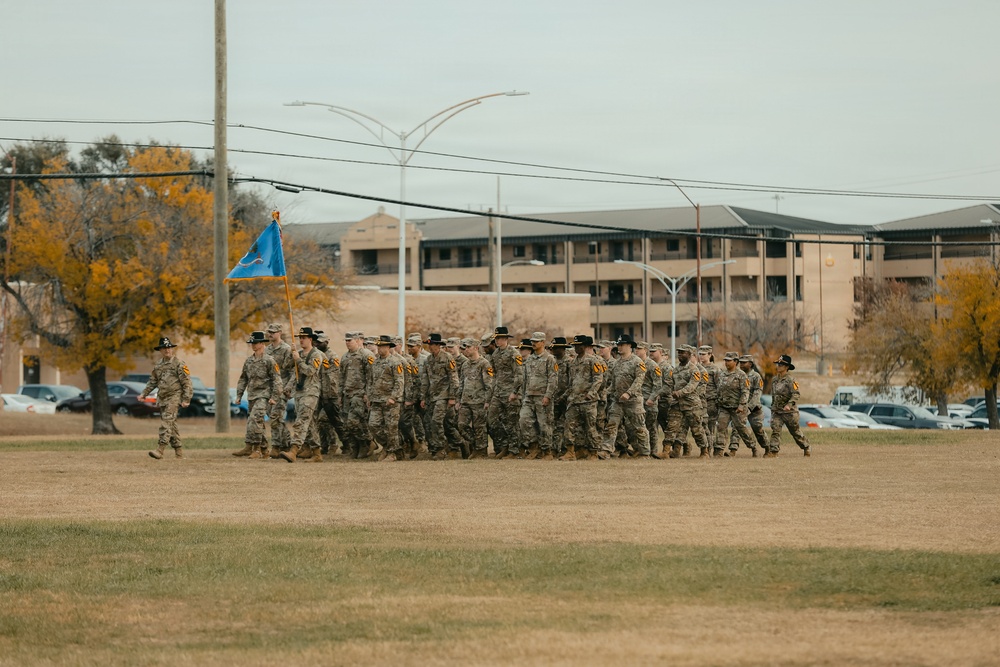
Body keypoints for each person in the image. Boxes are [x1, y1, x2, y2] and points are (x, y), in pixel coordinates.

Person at [140, 337, 194, 460]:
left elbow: (187, 383)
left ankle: (160, 449)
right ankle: (179, 453)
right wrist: (144, 394)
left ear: (172, 349)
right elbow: (153, 381)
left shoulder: (179, 363)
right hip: (163, 398)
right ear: (160, 350)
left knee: (166, 422)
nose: (167, 350)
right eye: (164, 348)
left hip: (175, 397)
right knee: (172, 425)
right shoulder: (159, 365)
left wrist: (186, 399)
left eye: (169, 347)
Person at [232, 331, 282, 460]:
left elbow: (277, 380)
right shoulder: (249, 361)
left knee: (255, 419)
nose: (253, 345)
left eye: (255, 343)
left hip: (264, 395)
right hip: (252, 396)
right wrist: (239, 395)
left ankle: (256, 449)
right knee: (255, 422)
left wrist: (274, 397)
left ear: (261, 343)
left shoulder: (269, 360)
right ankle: (264, 450)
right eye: (251, 343)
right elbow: (243, 379)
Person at [602, 334, 650, 458]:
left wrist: (629, 393)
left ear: (629, 346)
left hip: (633, 401)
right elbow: (613, 382)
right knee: (611, 424)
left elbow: (639, 380)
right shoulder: (616, 363)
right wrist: (605, 393)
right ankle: (606, 450)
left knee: (639, 428)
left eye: (622, 345)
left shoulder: (637, 362)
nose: (619, 347)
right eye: (618, 345)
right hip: (618, 401)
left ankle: (645, 452)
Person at [561, 334, 606, 460]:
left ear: (585, 346)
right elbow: (571, 382)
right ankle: (571, 451)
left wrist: (591, 394)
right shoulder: (573, 362)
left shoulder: (593, 360)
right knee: (569, 426)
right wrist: (566, 396)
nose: (576, 348)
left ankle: (593, 452)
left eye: (579, 346)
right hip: (574, 400)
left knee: (590, 427)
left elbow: (599, 379)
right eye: (575, 346)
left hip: (588, 401)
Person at [284, 326, 324, 462]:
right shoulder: (298, 354)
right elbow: (291, 370)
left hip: (311, 393)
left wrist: (299, 360)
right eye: (300, 338)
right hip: (300, 393)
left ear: (311, 339)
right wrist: (293, 353)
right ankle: (317, 453)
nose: (301, 340)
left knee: (301, 421)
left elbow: (310, 371)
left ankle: (294, 450)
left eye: (304, 338)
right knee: (310, 424)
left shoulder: (316, 355)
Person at [664, 344, 709, 458]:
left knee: (697, 430)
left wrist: (680, 392)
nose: (680, 354)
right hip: (677, 404)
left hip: (691, 404)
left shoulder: (694, 370)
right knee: (671, 427)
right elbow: (669, 385)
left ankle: (704, 451)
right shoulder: (675, 370)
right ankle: (666, 451)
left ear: (689, 355)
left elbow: (692, 386)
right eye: (679, 352)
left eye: (683, 352)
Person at [421, 333, 461, 459]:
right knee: (437, 423)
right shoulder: (428, 360)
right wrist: (423, 397)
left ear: (438, 345)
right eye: (429, 345)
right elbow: (426, 379)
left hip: (444, 396)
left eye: (432, 344)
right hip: (432, 396)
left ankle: (440, 449)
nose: (430, 347)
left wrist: (452, 397)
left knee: (436, 421)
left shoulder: (447, 357)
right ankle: (459, 443)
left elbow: (454, 378)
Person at [519, 332, 558, 460]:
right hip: (529, 396)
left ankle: (547, 451)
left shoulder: (550, 359)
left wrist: (548, 396)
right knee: (524, 420)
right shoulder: (529, 359)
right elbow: (525, 379)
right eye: (532, 341)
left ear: (543, 342)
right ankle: (533, 447)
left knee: (544, 424)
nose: (533, 343)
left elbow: (553, 379)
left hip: (542, 396)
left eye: (536, 341)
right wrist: (524, 394)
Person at [368, 335, 406, 462]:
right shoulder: (375, 362)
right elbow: (371, 381)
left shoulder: (395, 362)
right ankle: (388, 447)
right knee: (373, 425)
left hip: (391, 401)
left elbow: (399, 382)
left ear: (388, 347)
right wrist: (369, 396)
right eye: (378, 346)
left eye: (382, 346)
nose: (379, 348)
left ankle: (393, 453)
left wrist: (393, 397)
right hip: (377, 400)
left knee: (391, 428)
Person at [486, 327, 523, 458]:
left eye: (499, 338)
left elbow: (519, 374)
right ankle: (504, 445)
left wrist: (514, 392)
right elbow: (494, 375)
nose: (497, 341)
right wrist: (489, 397)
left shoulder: (514, 353)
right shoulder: (495, 354)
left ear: (505, 339)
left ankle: (514, 450)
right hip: (498, 392)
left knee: (512, 422)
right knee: (492, 420)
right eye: (495, 339)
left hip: (510, 393)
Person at [767, 354, 811, 457]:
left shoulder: (791, 380)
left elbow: (796, 394)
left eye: (781, 365)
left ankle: (806, 446)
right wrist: (773, 407)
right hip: (777, 411)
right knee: (775, 430)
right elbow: (774, 395)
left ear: (787, 367)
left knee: (795, 432)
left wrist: (789, 405)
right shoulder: (774, 380)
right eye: (778, 364)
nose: (779, 366)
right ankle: (774, 451)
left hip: (789, 412)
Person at [340, 331, 375, 458]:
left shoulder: (366, 355)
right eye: (346, 340)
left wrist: (368, 393)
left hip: (359, 394)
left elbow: (371, 376)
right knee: (346, 424)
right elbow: (342, 378)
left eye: (350, 340)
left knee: (353, 422)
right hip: (347, 394)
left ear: (357, 340)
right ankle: (355, 448)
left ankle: (367, 442)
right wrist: (340, 395)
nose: (347, 343)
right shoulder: (345, 357)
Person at [715, 351, 756, 457]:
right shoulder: (722, 374)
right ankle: (719, 450)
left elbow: (745, 391)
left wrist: (741, 405)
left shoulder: (741, 375)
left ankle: (753, 447)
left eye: (729, 361)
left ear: (735, 362)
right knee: (721, 427)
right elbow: (719, 389)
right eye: (725, 360)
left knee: (741, 429)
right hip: (724, 407)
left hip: (737, 408)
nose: (726, 363)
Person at [457, 337, 493, 459]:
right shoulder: (465, 365)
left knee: (479, 428)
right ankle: (475, 446)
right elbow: (461, 383)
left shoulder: (484, 364)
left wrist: (487, 401)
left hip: (479, 401)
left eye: (468, 347)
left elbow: (489, 384)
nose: (466, 350)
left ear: (476, 348)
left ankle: (481, 452)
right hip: (466, 401)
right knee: (461, 425)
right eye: (464, 347)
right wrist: (458, 400)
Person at [265, 323, 296, 459]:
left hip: (281, 388)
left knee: (275, 417)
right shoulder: (267, 350)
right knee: (274, 417)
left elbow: (292, 371)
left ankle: (276, 446)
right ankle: (287, 442)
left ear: (280, 333)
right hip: (269, 389)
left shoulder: (286, 349)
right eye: (269, 332)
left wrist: (288, 388)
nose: (270, 334)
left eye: (273, 332)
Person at [730, 355, 769, 454]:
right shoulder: (737, 375)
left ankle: (767, 447)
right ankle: (733, 450)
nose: (741, 365)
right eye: (740, 362)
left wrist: (749, 407)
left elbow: (757, 393)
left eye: (744, 363)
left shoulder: (756, 376)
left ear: (750, 364)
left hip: (754, 408)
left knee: (758, 429)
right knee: (737, 426)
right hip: (741, 407)